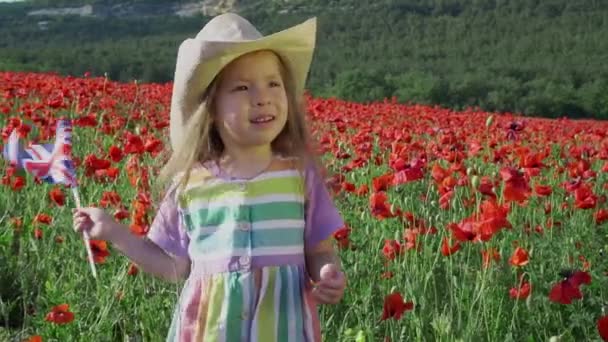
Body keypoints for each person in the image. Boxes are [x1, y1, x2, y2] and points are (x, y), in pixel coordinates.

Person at [73, 12, 346, 341]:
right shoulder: (191, 184)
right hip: (209, 331)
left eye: (273, 83)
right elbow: (173, 267)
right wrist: (114, 232)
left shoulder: (299, 177)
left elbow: (319, 249)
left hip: (282, 331)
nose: (262, 96)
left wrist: (327, 272)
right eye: (243, 87)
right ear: (211, 110)